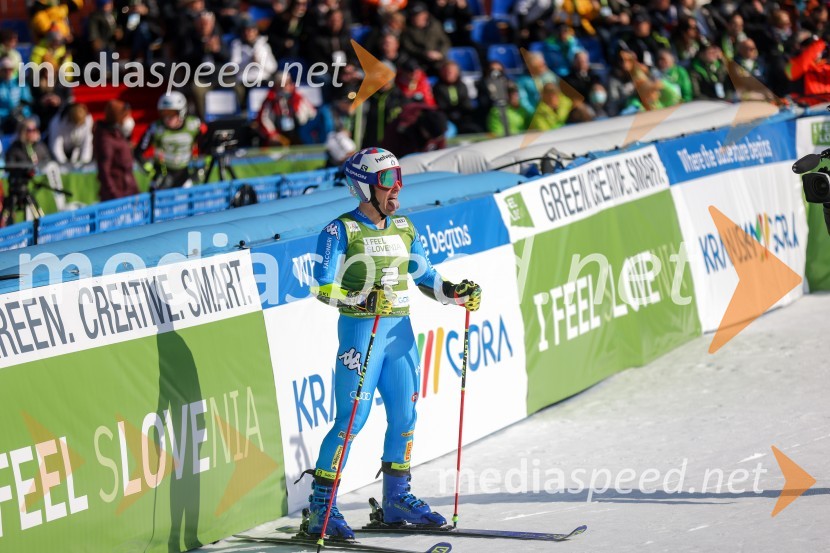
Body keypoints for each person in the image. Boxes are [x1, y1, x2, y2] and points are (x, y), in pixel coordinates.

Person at [304, 146, 482, 539]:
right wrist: (360, 298)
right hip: (361, 335)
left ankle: (397, 500)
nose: (396, 187)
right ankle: (321, 509)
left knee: (405, 416)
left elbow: (425, 276)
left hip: (399, 334)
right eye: (387, 180)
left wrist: (454, 292)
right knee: (351, 422)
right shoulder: (341, 230)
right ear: (364, 186)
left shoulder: (403, 228)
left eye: (399, 177)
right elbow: (322, 286)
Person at [135, 91, 203, 188]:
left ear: (182, 111)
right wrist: (153, 173)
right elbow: (138, 153)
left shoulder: (194, 125)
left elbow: (207, 145)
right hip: (162, 177)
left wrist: (201, 168)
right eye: (164, 113)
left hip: (184, 176)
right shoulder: (155, 129)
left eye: (172, 113)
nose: (168, 118)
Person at [93, 99, 139, 200]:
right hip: (117, 197)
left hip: (129, 191)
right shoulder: (106, 140)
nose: (129, 119)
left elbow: (126, 170)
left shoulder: (118, 135)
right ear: (118, 118)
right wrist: (115, 195)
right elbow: (104, 171)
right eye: (126, 116)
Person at [400, 2, 451, 75]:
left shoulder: (435, 25)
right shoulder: (407, 29)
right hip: (418, 59)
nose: (414, 18)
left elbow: (445, 42)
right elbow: (408, 46)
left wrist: (440, 53)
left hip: (437, 58)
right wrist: (424, 53)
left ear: (425, 14)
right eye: (413, 16)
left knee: (449, 69)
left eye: (417, 15)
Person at [0, 57, 33, 135]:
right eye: (4, 70)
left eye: (10, 69)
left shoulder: (20, 83)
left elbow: (28, 101)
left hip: (20, 116)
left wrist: (20, 110)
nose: (7, 72)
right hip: (3, 118)